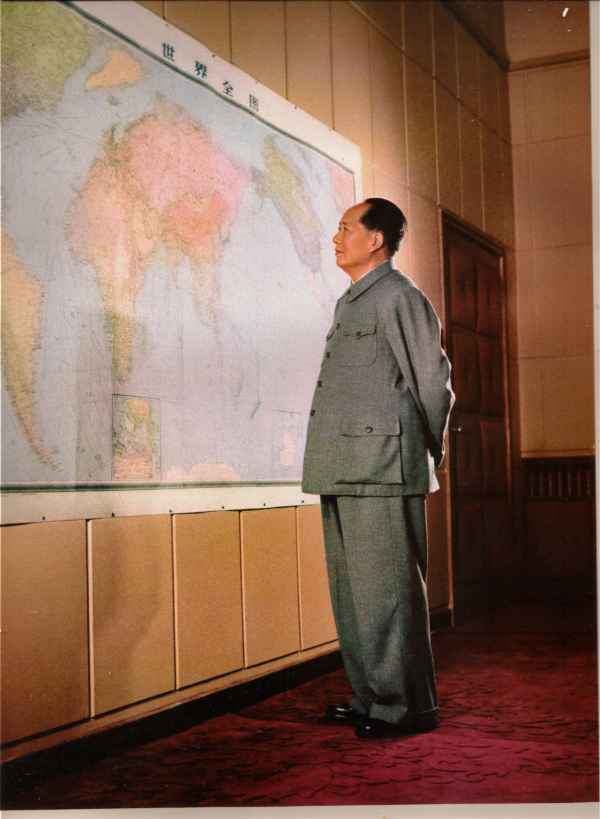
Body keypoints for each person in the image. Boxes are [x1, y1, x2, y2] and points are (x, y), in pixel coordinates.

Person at [302, 197, 454, 739]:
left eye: (346, 228)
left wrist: (427, 452)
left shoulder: (400, 297)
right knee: (353, 595)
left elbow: (432, 384)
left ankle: (404, 707)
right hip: (343, 465)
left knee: (388, 595)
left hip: (384, 468)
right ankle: (371, 697)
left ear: (375, 240)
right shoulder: (352, 302)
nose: (336, 237)